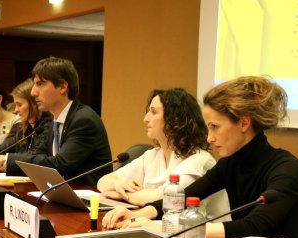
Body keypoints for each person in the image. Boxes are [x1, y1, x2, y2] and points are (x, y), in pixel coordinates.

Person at [102, 76, 298, 238]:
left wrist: (165, 228)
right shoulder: (230, 163)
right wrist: (137, 214)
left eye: (215, 127)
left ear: (243, 123)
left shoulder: (287, 170)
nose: (209, 137)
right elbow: (186, 197)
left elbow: (252, 226)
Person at [0, 57, 112, 187]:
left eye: (40, 84)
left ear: (62, 87)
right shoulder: (55, 121)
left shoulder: (83, 120)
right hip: (63, 196)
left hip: (92, 203)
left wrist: (4, 161)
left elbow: (59, 164)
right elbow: (37, 156)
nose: (33, 92)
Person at [97, 88, 230, 223]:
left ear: (175, 119)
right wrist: (118, 183)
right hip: (166, 228)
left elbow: (169, 199)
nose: (145, 119)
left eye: (153, 112)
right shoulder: (152, 155)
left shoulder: (199, 160)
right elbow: (102, 182)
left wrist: (122, 194)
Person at [0, 78, 52, 160]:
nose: (16, 110)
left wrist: (2, 161)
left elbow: (31, 159)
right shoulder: (25, 128)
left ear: (34, 104)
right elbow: (5, 149)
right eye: (15, 105)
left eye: (19, 104)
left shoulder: (46, 126)